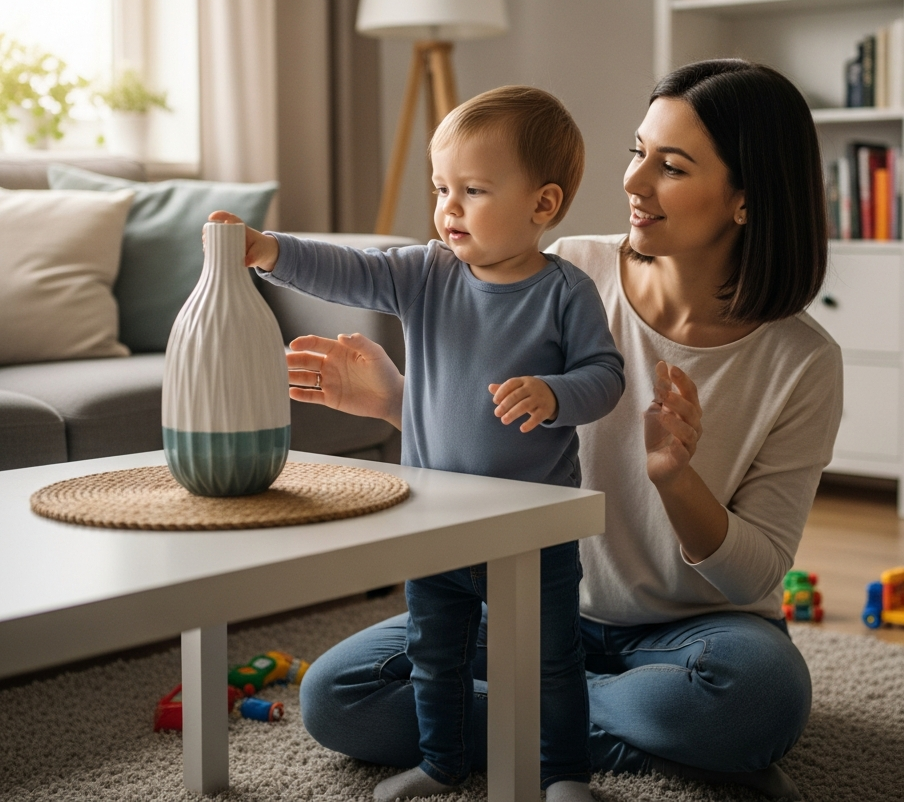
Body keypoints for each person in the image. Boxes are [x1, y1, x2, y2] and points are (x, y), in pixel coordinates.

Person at [287, 60, 843, 802]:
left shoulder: (802, 361)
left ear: (746, 200)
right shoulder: (569, 269)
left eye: (671, 166)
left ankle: (564, 716)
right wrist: (398, 400)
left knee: (758, 699)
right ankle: (639, 733)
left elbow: (752, 577)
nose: (635, 183)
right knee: (337, 693)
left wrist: (676, 477)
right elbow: (500, 431)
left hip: (693, 637)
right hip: (532, 603)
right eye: (637, 152)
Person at [211, 85, 625, 802]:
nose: (448, 208)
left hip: (534, 530)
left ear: (543, 205)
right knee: (435, 656)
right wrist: (270, 251)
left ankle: (563, 773)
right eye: (440, 188)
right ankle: (444, 761)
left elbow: (606, 377)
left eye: (473, 189)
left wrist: (557, 395)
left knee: (549, 661)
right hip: (434, 518)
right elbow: (349, 269)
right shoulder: (427, 273)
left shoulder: (565, 292)